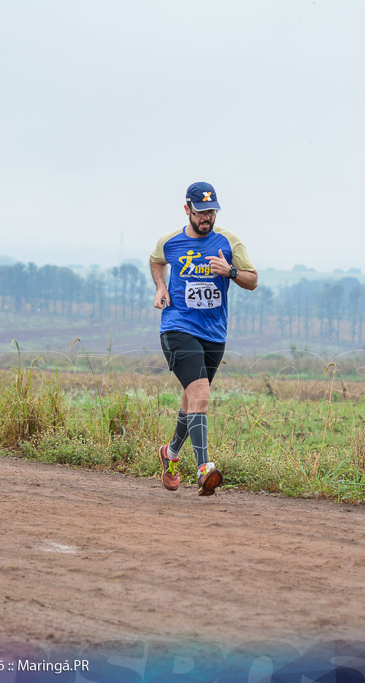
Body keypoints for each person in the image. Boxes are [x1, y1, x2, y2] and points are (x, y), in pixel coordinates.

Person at [149, 181, 258, 495]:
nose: (206, 218)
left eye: (211, 211)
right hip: (177, 327)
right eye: (200, 212)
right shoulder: (170, 242)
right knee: (202, 395)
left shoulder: (228, 242)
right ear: (188, 210)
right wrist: (161, 287)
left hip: (213, 333)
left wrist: (230, 272)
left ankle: (169, 454)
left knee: (191, 400)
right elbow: (156, 261)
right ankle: (204, 468)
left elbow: (252, 280)